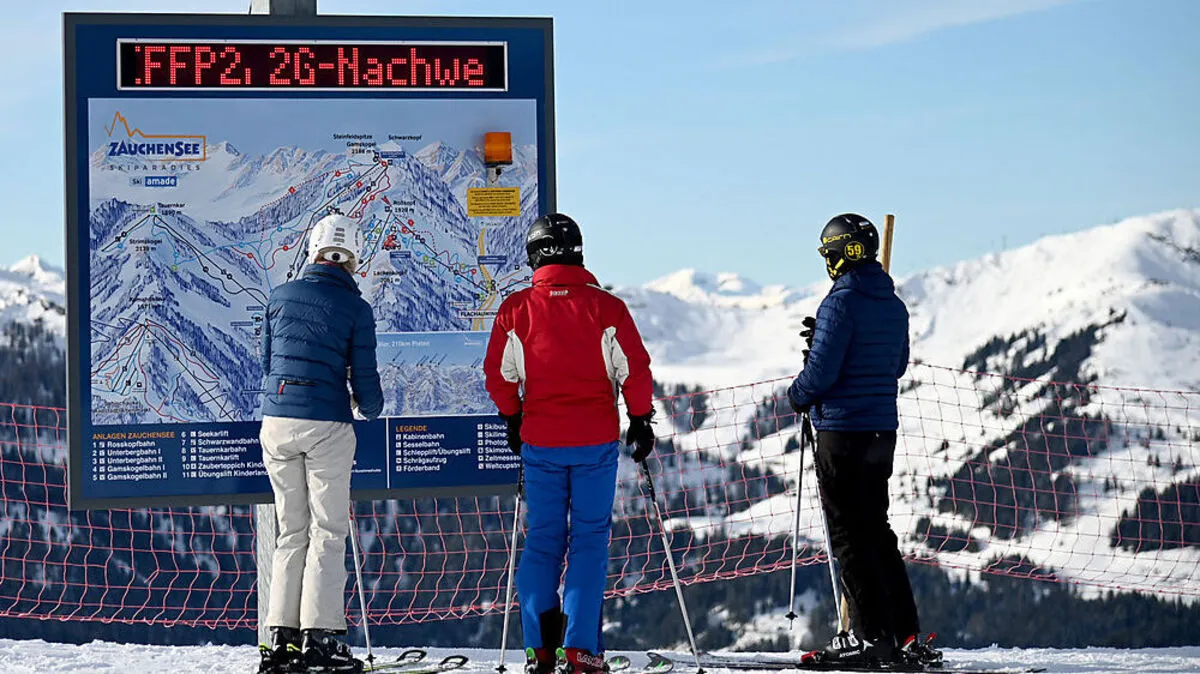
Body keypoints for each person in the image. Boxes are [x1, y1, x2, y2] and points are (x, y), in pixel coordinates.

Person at [483, 213, 656, 674]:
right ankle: (579, 652)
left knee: (543, 540)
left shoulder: (515, 310)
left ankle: (540, 650)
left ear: (533, 256)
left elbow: (499, 377)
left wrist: (514, 417)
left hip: (540, 442)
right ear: (578, 252)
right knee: (589, 541)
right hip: (594, 442)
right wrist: (640, 419)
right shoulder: (607, 308)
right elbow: (634, 369)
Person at [787, 213, 939, 668]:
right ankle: (905, 635)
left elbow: (821, 374)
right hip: (880, 431)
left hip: (841, 432)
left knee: (849, 536)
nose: (827, 261)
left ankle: (870, 637)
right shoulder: (893, 304)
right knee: (877, 531)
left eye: (829, 252)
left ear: (842, 253)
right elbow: (896, 365)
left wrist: (797, 393)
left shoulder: (840, 303)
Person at [257, 213, 384, 674]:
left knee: (291, 531)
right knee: (327, 531)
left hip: (277, 423)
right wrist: (370, 408)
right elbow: (365, 379)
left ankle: (280, 640)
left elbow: (267, 362)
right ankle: (321, 638)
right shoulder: (356, 308)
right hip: (326, 424)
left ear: (312, 251)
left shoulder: (279, 296)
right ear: (353, 258)